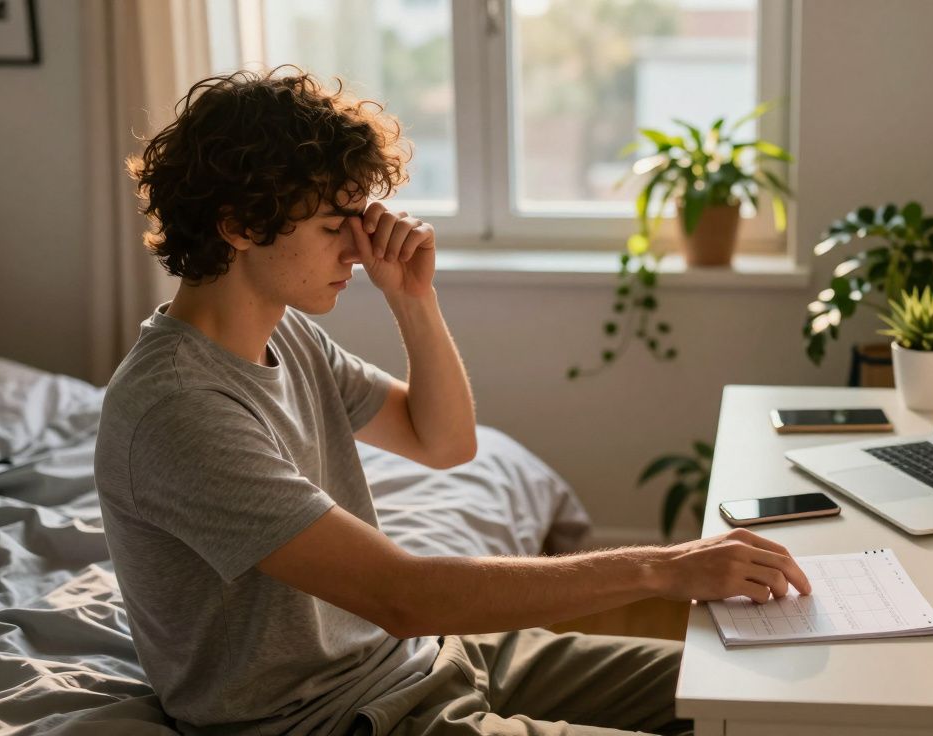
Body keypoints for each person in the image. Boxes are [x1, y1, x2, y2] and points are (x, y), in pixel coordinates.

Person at [94, 67, 810, 736]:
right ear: (240, 226)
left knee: (766, 697)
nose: (356, 249)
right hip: (338, 716)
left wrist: (413, 299)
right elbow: (403, 596)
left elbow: (445, 442)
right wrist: (665, 566)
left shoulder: (293, 338)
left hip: (433, 660)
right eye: (332, 225)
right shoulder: (175, 409)